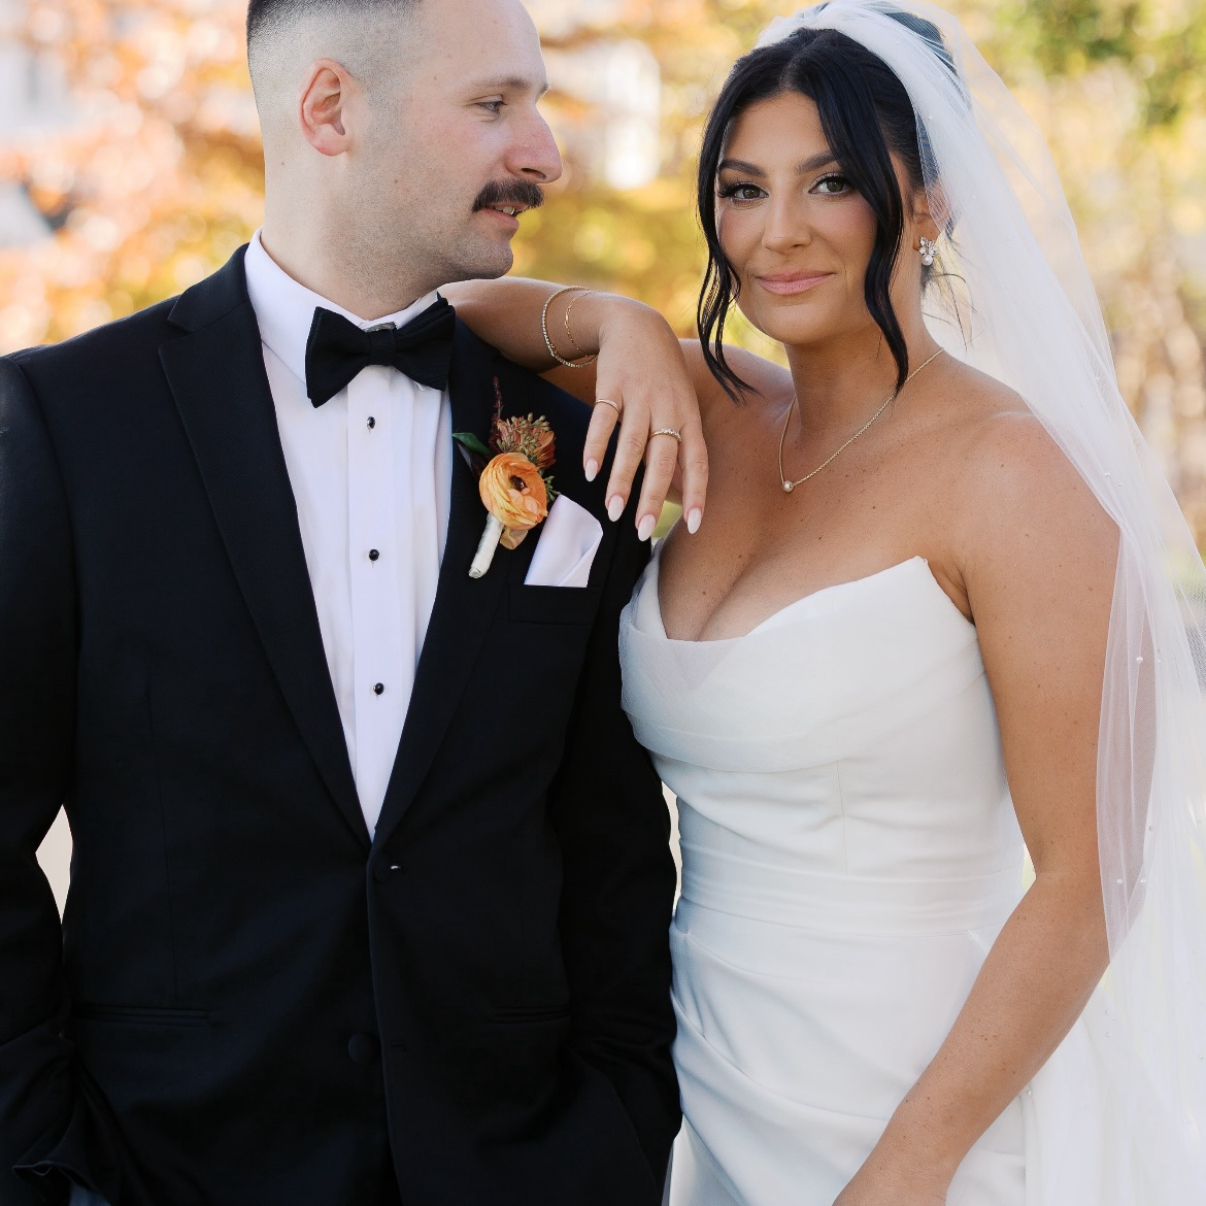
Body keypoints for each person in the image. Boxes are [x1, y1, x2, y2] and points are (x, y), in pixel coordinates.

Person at [448, 2, 1206, 1202]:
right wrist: (614, 320)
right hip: (699, 1073)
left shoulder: (1016, 476)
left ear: (932, 200)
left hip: (925, 1099)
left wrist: (909, 1169)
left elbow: (1091, 879)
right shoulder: (708, 406)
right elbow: (439, 321)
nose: (777, 234)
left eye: (832, 182)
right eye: (742, 189)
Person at [0, 1, 706, 1203]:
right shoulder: (66, 427)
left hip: (519, 1171)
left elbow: (613, 849)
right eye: (494, 105)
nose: (544, 153)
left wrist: (614, 1131)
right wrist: (41, 1168)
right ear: (330, 108)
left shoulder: (583, 451)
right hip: (163, 1171)